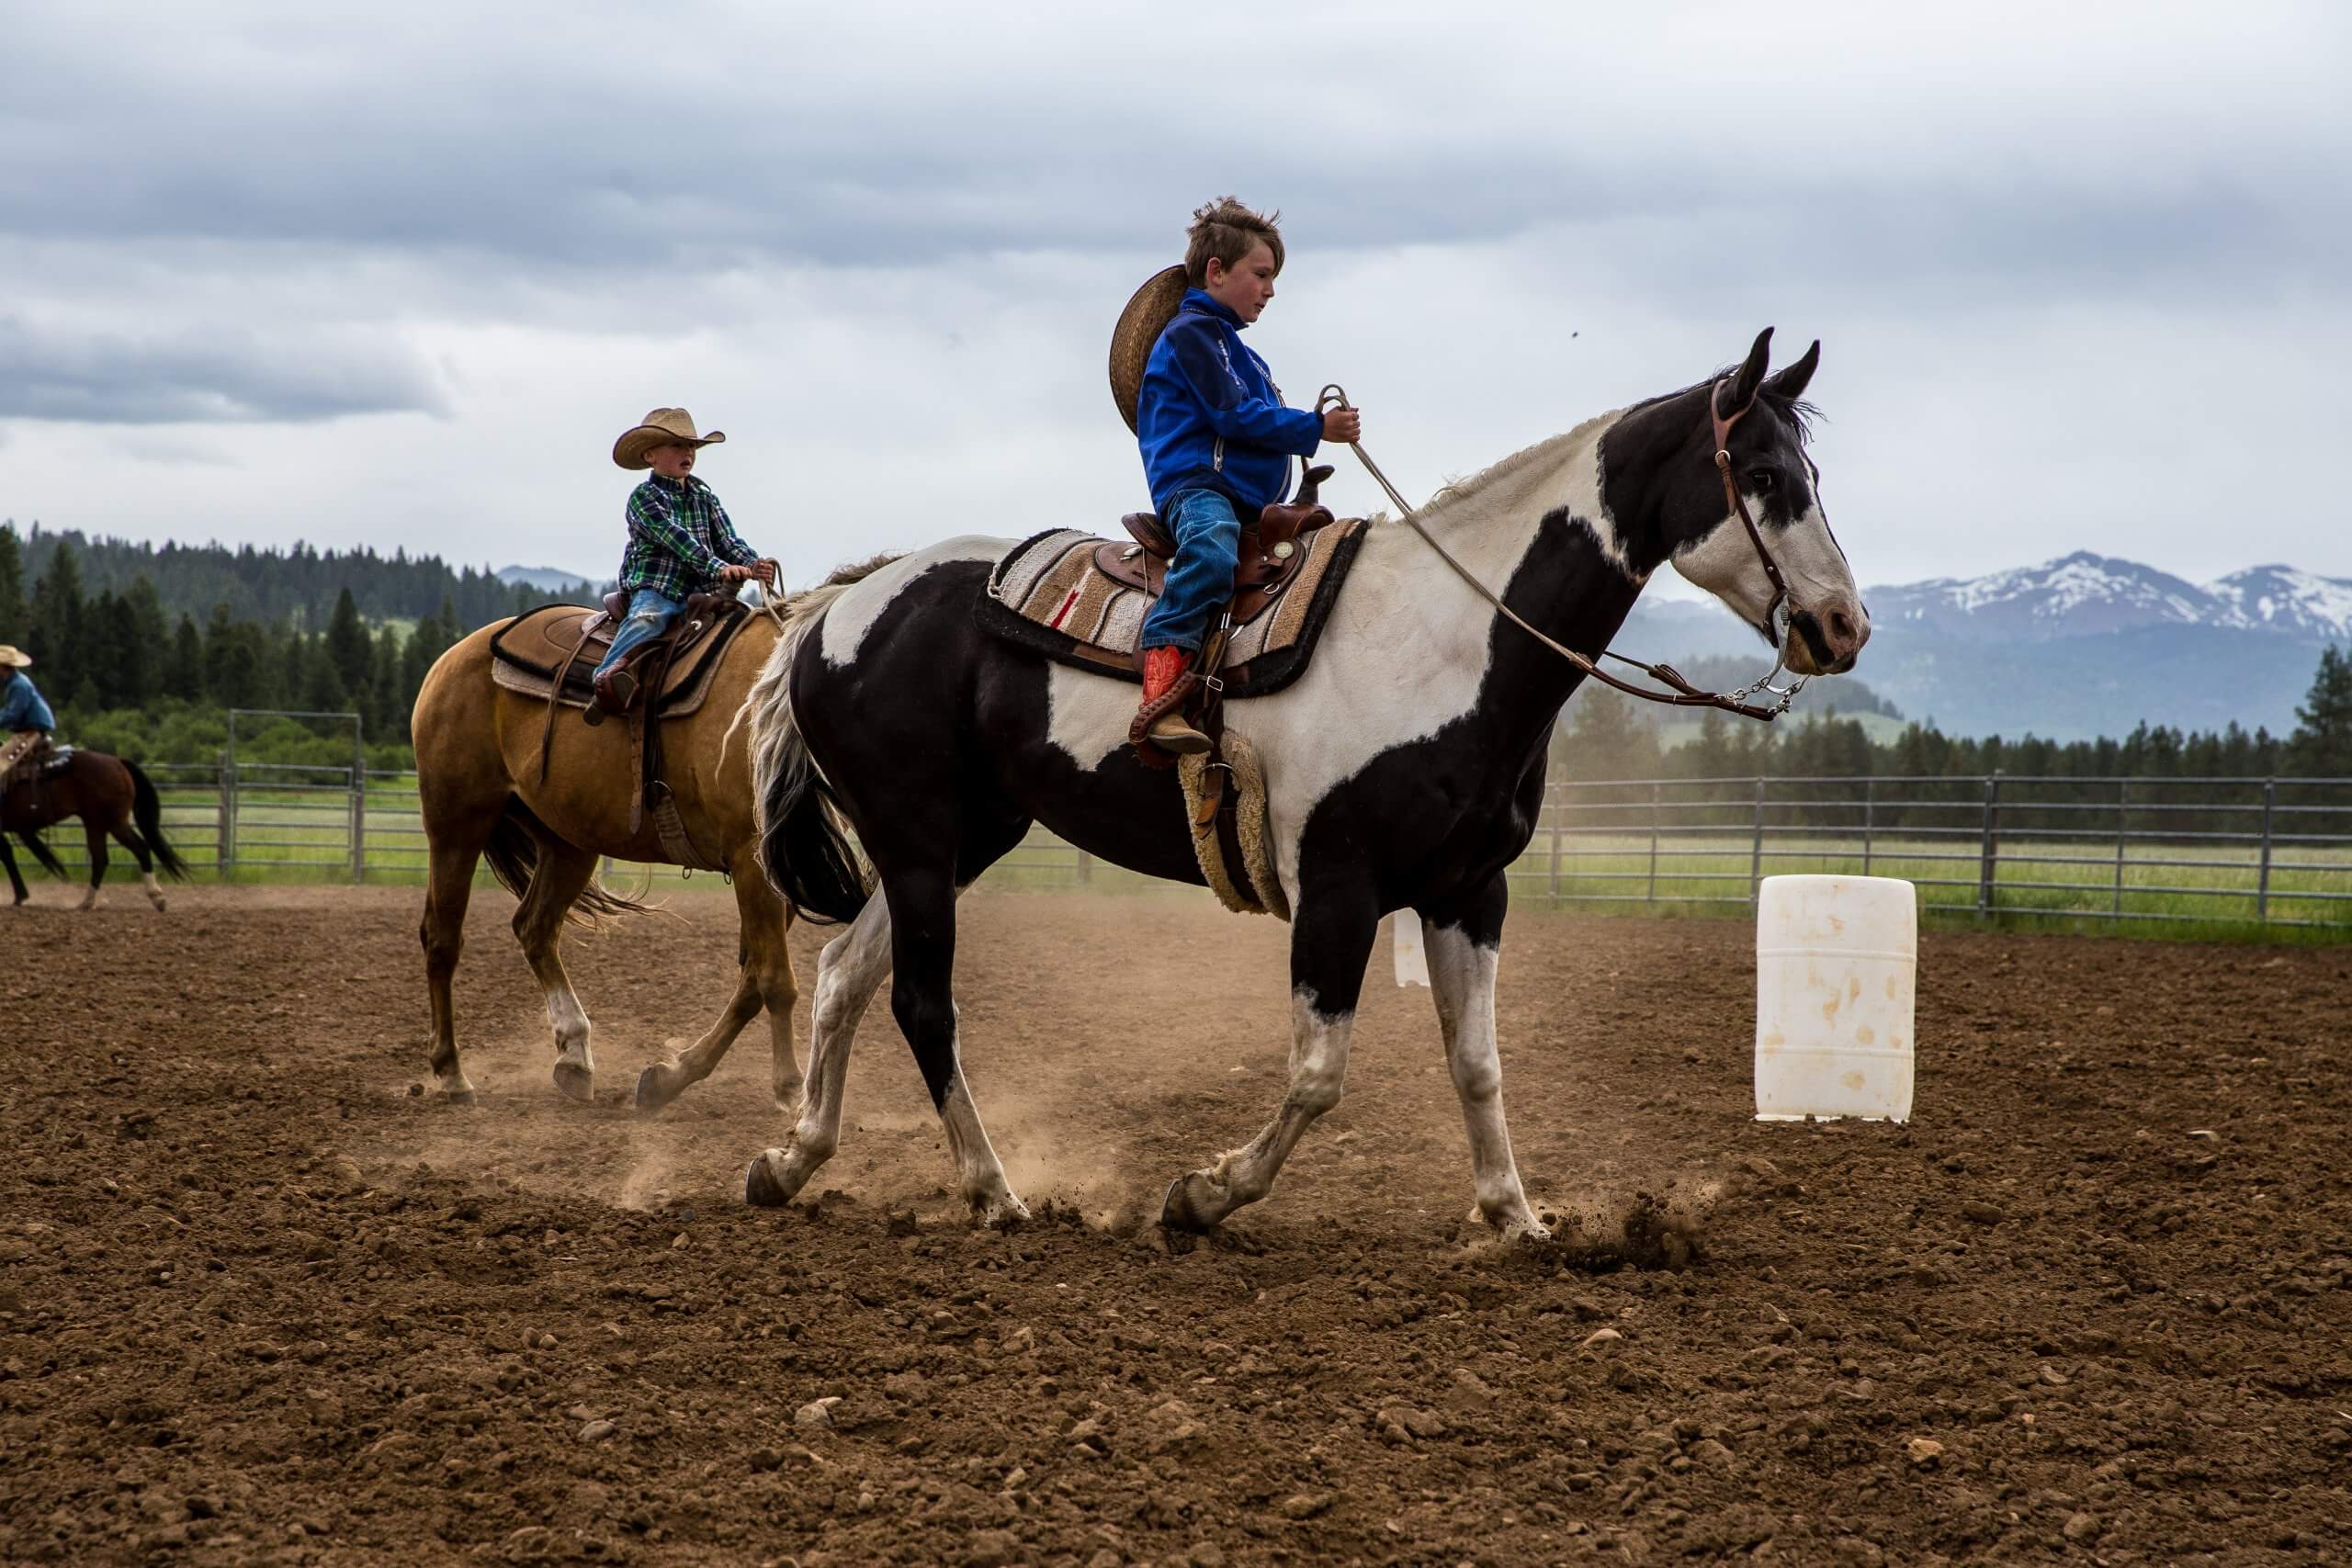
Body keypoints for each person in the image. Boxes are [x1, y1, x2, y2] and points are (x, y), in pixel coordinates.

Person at [1130, 197, 1363, 755]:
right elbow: (1233, 416)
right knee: (1211, 551)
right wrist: (1314, 428)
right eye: (1261, 275)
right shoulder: (1191, 336)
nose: (1270, 290)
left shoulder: (1242, 353)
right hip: (1198, 490)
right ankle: (1158, 691)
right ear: (1216, 270)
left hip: (1246, 499)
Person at [594, 408, 777, 716]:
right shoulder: (644, 497)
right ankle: (606, 678)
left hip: (701, 592)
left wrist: (753, 563)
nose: (688, 453)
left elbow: (728, 540)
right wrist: (719, 568)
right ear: (650, 455)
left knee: (743, 627)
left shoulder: (705, 497)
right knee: (647, 619)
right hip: (658, 589)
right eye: (677, 445)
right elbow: (677, 540)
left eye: (691, 446)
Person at [0, 645, 56, 781]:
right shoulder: (16, 682)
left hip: (29, 734)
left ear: (2, 666)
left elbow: (13, 714)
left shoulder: (18, 685)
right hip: (27, 731)